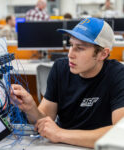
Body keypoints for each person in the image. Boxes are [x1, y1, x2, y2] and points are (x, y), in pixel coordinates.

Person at [10, 17, 124, 148]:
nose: (70, 54)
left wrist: (60, 134)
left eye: (80, 48)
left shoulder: (117, 74)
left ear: (102, 54)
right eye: (71, 45)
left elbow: (120, 132)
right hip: (62, 145)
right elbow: (44, 120)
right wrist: (31, 108)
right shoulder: (60, 68)